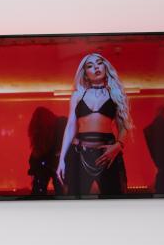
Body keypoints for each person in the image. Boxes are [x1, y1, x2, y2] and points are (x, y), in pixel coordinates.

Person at [56, 53, 133, 196]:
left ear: (105, 67)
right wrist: (61, 160)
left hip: (107, 154)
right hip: (80, 154)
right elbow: (70, 126)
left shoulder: (115, 94)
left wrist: (118, 146)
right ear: (85, 74)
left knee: (113, 199)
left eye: (99, 63)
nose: (96, 67)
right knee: (76, 200)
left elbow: (124, 127)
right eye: (90, 66)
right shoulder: (78, 95)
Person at [27, 107, 67, 195]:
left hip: (54, 162)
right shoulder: (61, 123)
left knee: (41, 189)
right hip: (53, 162)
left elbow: (37, 153)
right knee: (59, 189)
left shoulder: (60, 123)